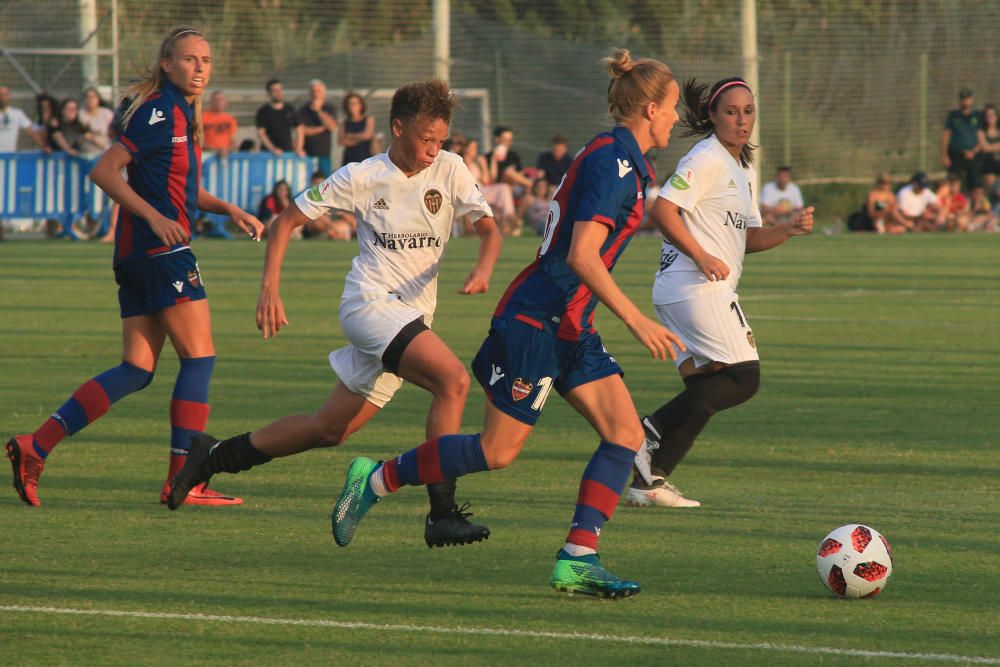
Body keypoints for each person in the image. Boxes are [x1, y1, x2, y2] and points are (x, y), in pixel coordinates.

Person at [322, 49, 684, 599]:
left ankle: (577, 559)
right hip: (536, 321)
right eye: (674, 107)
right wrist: (636, 320)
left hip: (570, 324)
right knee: (497, 452)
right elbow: (584, 255)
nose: (677, 118)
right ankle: (373, 480)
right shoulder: (614, 162)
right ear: (651, 108)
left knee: (625, 434)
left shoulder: (621, 157)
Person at [167, 79, 504, 550]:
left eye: (441, 141)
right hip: (369, 306)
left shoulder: (450, 169)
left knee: (329, 429)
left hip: (410, 320)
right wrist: (269, 289)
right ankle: (441, 511)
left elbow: (490, 232)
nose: (433, 150)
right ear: (398, 127)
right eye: (426, 139)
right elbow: (286, 221)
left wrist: (483, 268)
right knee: (453, 382)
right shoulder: (362, 175)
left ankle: (212, 456)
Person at [5, 26, 265, 508]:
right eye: (190, 59)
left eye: (206, 60)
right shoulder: (160, 111)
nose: (200, 68)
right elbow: (104, 170)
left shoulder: (181, 113)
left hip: (138, 253)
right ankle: (183, 481)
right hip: (158, 250)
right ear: (167, 64)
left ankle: (34, 445)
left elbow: (180, 191)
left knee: (137, 368)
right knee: (199, 358)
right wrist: (154, 216)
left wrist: (229, 209)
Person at [627, 76, 814, 509]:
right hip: (693, 287)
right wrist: (702, 255)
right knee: (743, 378)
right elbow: (662, 209)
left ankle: (649, 480)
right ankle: (645, 431)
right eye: (731, 111)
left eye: (748, 111)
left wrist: (787, 229)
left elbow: (746, 237)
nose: (741, 119)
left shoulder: (742, 167)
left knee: (705, 388)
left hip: (685, 290)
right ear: (712, 115)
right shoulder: (707, 157)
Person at [941, 87, 981, 192]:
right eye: (963, 98)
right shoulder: (953, 115)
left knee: (974, 184)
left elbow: (981, 137)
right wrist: (944, 155)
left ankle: (973, 207)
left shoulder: (977, 116)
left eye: (967, 98)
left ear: (972, 99)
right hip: (956, 155)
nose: (965, 101)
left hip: (973, 156)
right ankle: (956, 204)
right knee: (954, 182)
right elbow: (946, 134)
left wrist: (974, 151)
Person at [256, 78, 304, 157]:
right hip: (269, 154)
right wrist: (273, 149)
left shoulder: (290, 110)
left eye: (280, 90)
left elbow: (299, 129)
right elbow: (261, 133)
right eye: (275, 90)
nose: (279, 93)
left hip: (288, 153)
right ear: (269, 93)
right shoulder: (263, 112)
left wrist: (299, 148)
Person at [299, 79, 337, 174]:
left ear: (323, 93)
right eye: (313, 91)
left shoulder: (330, 108)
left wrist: (319, 111)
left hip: (323, 153)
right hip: (307, 154)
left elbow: (331, 127)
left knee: (324, 184)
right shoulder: (303, 110)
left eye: (318, 91)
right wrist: (322, 128)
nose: (315, 94)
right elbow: (302, 130)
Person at [0, 85, 44, 151]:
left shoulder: (17, 113)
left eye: (5, 95)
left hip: (9, 156)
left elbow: (31, 130)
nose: (2, 98)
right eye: (1, 95)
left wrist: (43, 146)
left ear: (9, 97)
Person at [338, 91, 374, 166]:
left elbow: (367, 135)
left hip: (365, 158)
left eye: (355, 103)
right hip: (349, 159)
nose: (352, 106)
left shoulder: (368, 119)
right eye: (350, 104)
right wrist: (359, 137)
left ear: (360, 105)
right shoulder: (344, 123)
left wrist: (350, 135)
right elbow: (341, 141)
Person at [201, 90, 238, 159]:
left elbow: (233, 141)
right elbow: (198, 139)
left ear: (225, 102)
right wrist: (215, 150)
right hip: (206, 156)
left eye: (221, 99)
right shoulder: (202, 117)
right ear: (211, 102)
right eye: (216, 99)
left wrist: (226, 150)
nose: (218, 102)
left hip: (225, 155)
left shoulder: (230, 119)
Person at [78, 86, 114, 154]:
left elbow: (113, 133)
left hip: (104, 152)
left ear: (98, 99)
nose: (90, 99)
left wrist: (92, 137)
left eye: (93, 97)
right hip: (84, 154)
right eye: (87, 97)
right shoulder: (79, 114)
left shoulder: (107, 113)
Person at [976, 103, 1000, 177]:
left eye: (993, 115)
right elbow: (985, 148)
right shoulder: (981, 131)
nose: (990, 117)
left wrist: (990, 146)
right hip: (987, 165)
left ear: (997, 117)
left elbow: (987, 147)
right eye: (988, 115)